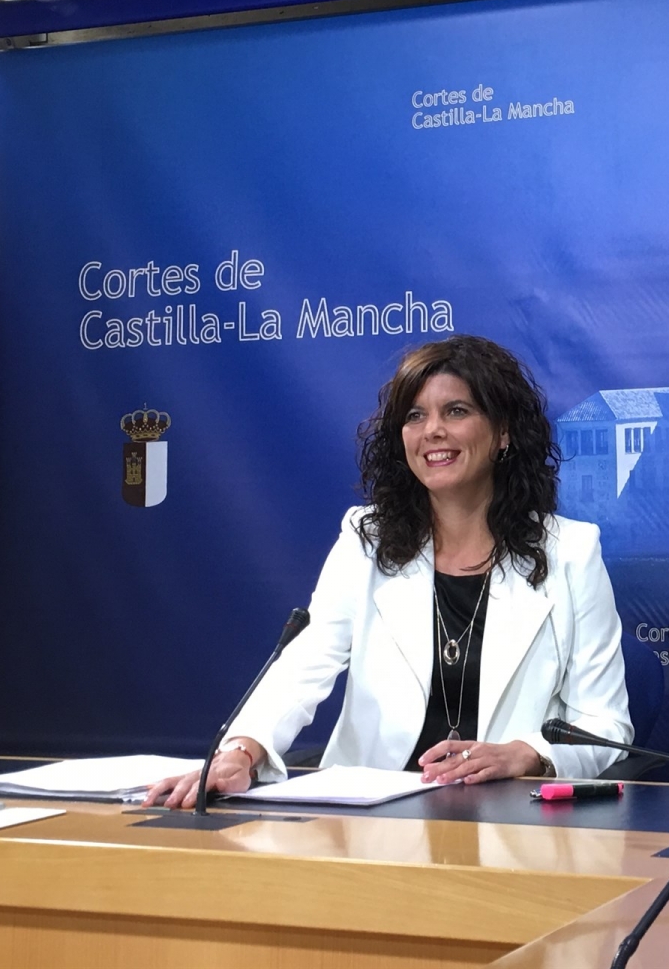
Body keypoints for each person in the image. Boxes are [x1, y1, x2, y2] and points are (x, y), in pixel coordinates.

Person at [145, 336, 632, 808]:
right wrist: (241, 752)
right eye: (414, 416)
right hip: (372, 815)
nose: (432, 430)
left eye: (456, 411)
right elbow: (303, 666)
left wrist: (527, 754)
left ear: (503, 432)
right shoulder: (366, 540)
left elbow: (606, 724)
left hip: (509, 820)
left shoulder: (570, 552)